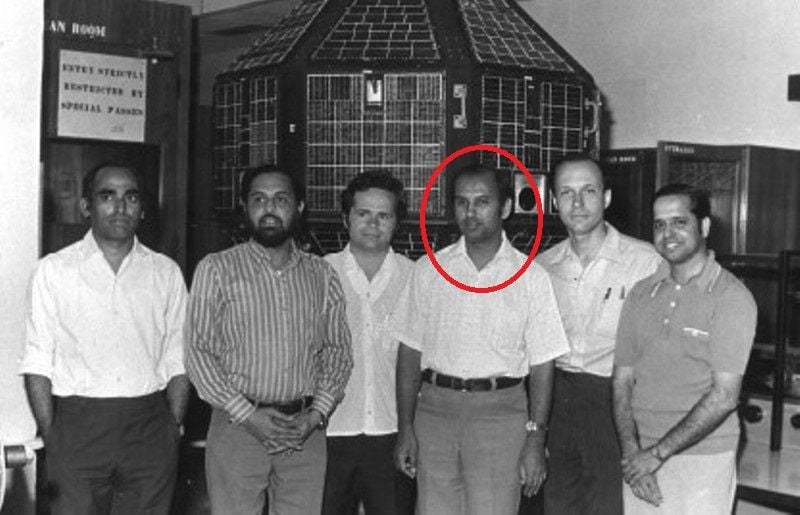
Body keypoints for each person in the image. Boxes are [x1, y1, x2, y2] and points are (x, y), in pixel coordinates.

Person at [392, 164, 569, 515]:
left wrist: (536, 438)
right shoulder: (429, 269)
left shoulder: (531, 277)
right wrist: (405, 428)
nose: (470, 212)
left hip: (500, 415)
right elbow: (409, 353)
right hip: (434, 413)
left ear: (505, 208)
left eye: (482, 202)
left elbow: (543, 365)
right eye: (462, 202)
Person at [19, 163, 189, 514]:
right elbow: (38, 361)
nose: (120, 207)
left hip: (149, 428)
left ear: (143, 209)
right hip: (77, 425)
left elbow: (179, 358)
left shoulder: (166, 272)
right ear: (86, 206)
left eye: (131, 197)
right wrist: (53, 435)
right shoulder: (54, 270)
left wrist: (172, 427)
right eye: (107, 196)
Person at [186, 165, 353, 515]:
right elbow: (198, 352)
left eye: (280, 199)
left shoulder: (322, 274)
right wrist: (248, 416)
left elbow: (338, 351)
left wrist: (316, 415)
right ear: (245, 207)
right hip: (237, 426)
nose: (269, 209)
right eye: (259, 199)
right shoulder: (216, 269)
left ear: (299, 207)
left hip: (303, 432)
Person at [612, 183, 757, 514]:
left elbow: (724, 396)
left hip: (703, 456)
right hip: (640, 459)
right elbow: (621, 380)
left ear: (703, 226)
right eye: (659, 224)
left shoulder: (731, 298)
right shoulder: (640, 294)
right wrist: (633, 453)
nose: (668, 234)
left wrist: (656, 455)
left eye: (679, 222)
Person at [537, 155, 660, 514]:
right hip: (558, 402)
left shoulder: (646, 262)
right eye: (567, 193)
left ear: (606, 198)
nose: (577, 203)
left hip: (617, 404)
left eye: (588, 191)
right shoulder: (542, 267)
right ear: (554, 201)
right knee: (559, 505)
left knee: (611, 506)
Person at [322, 170, 415, 515]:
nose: (373, 224)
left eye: (383, 215)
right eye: (363, 213)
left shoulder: (416, 277)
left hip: (393, 434)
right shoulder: (320, 273)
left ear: (396, 222)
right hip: (330, 431)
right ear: (346, 218)